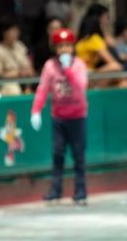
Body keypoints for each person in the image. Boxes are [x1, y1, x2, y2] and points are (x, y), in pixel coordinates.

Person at [30, 28, 89, 205]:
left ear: (73, 47)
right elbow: (43, 89)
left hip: (77, 116)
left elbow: (80, 86)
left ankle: (80, 192)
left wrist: (67, 70)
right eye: (60, 46)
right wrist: (36, 110)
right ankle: (55, 191)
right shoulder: (50, 66)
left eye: (67, 46)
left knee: (78, 155)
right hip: (59, 117)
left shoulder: (79, 65)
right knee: (58, 154)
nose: (64, 50)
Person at [75, 4, 122, 84]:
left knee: (121, 78)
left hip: (83, 73)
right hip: (86, 75)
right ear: (98, 20)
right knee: (116, 68)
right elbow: (112, 62)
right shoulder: (94, 39)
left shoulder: (82, 38)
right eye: (106, 17)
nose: (108, 21)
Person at [0, 15, 35, 96]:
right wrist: (17, 74)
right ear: (4, 32)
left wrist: (29, 71)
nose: (16, 33)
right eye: (13, 30)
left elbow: (29, 65)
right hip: (6, 85)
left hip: (25, 82)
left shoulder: (20, 45)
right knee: (14, 90)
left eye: (17, 30)